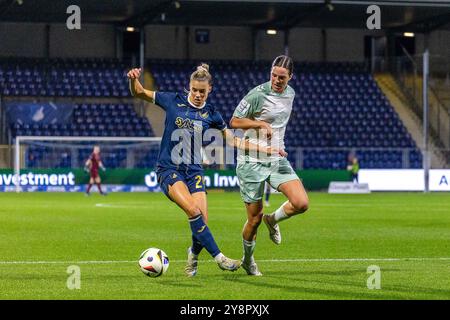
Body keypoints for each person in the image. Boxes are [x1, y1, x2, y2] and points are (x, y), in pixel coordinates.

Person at [127, 63, 283, 277]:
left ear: (210, 89)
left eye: (202, 91)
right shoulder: (173, 100)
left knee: (202, 220)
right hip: (169, 169)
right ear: (189, 88)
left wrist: (266, 149)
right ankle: (220, 258)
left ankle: (193, 255)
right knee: (193, 211)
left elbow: (235, 143)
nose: (198, 94)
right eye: (194, 90)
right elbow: (139, 92)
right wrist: (133, 79)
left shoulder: (212, 114)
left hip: (194, 171)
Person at [230, 55, 309, 276]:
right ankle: (248, 260)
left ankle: (272, 220)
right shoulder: (257, 94)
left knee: (301, 203)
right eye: (273, 75)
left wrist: (276, 144)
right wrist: (259, 123)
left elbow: (279, 125)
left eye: (282, 77)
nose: (276, 79)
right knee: (253, 220)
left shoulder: (291, 93)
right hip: (250, 160)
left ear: (290, 77)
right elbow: (234, 121)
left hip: (276, 157)